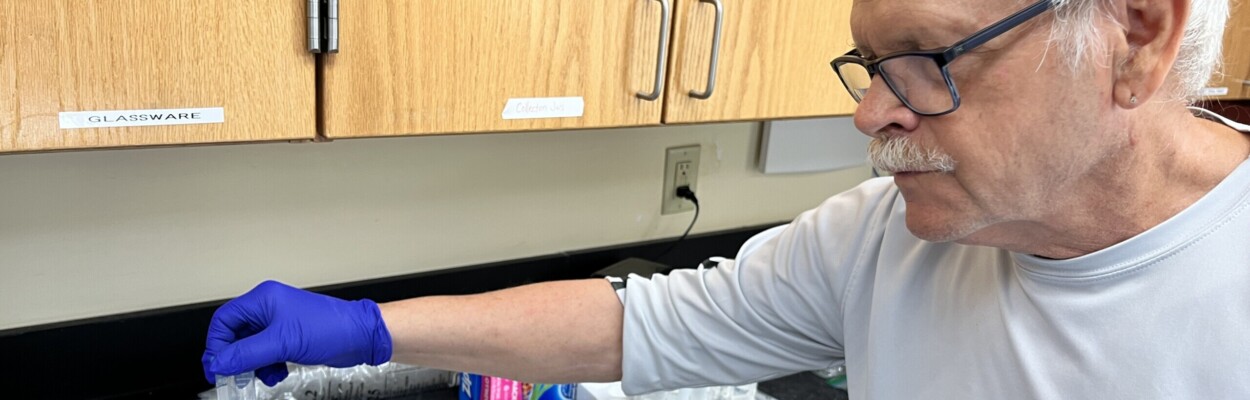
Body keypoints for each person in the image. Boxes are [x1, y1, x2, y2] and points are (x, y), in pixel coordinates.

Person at [203, 0, 1250, 397]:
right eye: (870, 64)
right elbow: (645, 322)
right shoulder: (891, 238)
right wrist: (369, 326)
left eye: (926, 58)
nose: (871, 115)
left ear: (1135, 36)